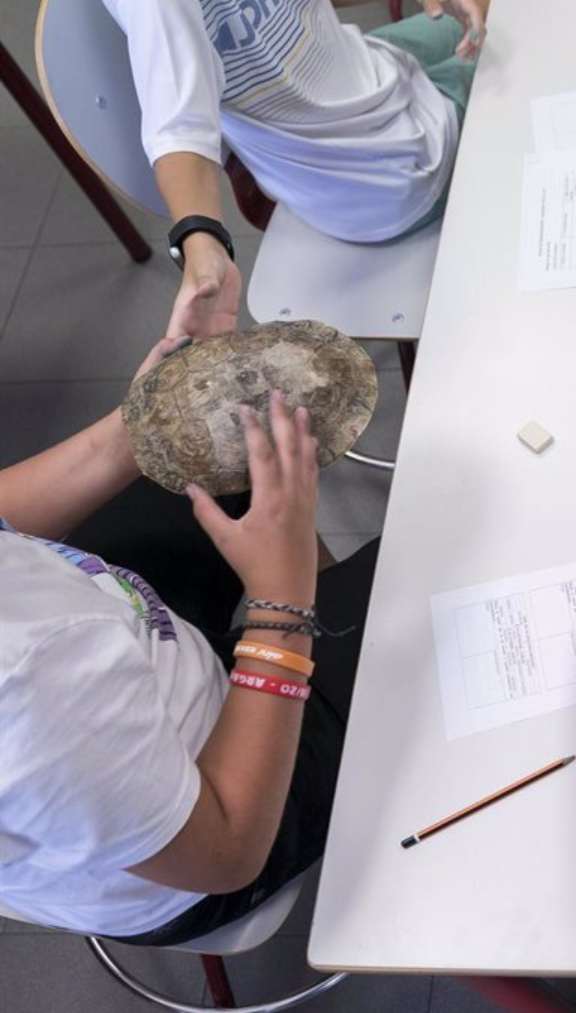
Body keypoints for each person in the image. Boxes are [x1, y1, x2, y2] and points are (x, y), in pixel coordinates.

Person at [0, 335, 379, 943]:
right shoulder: (26, 691)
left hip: (129, 655)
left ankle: (328, 622)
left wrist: (133, 431)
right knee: (434, 574)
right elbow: (226, 852)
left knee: (213, 436)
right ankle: (335, 642)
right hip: (212, 835)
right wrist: (283, 602)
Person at [103, 0, 490, 342]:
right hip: (387, 167)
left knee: (490, 11)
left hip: (370, 67)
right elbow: (178, 127)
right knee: (520, 43)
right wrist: (202, 242)